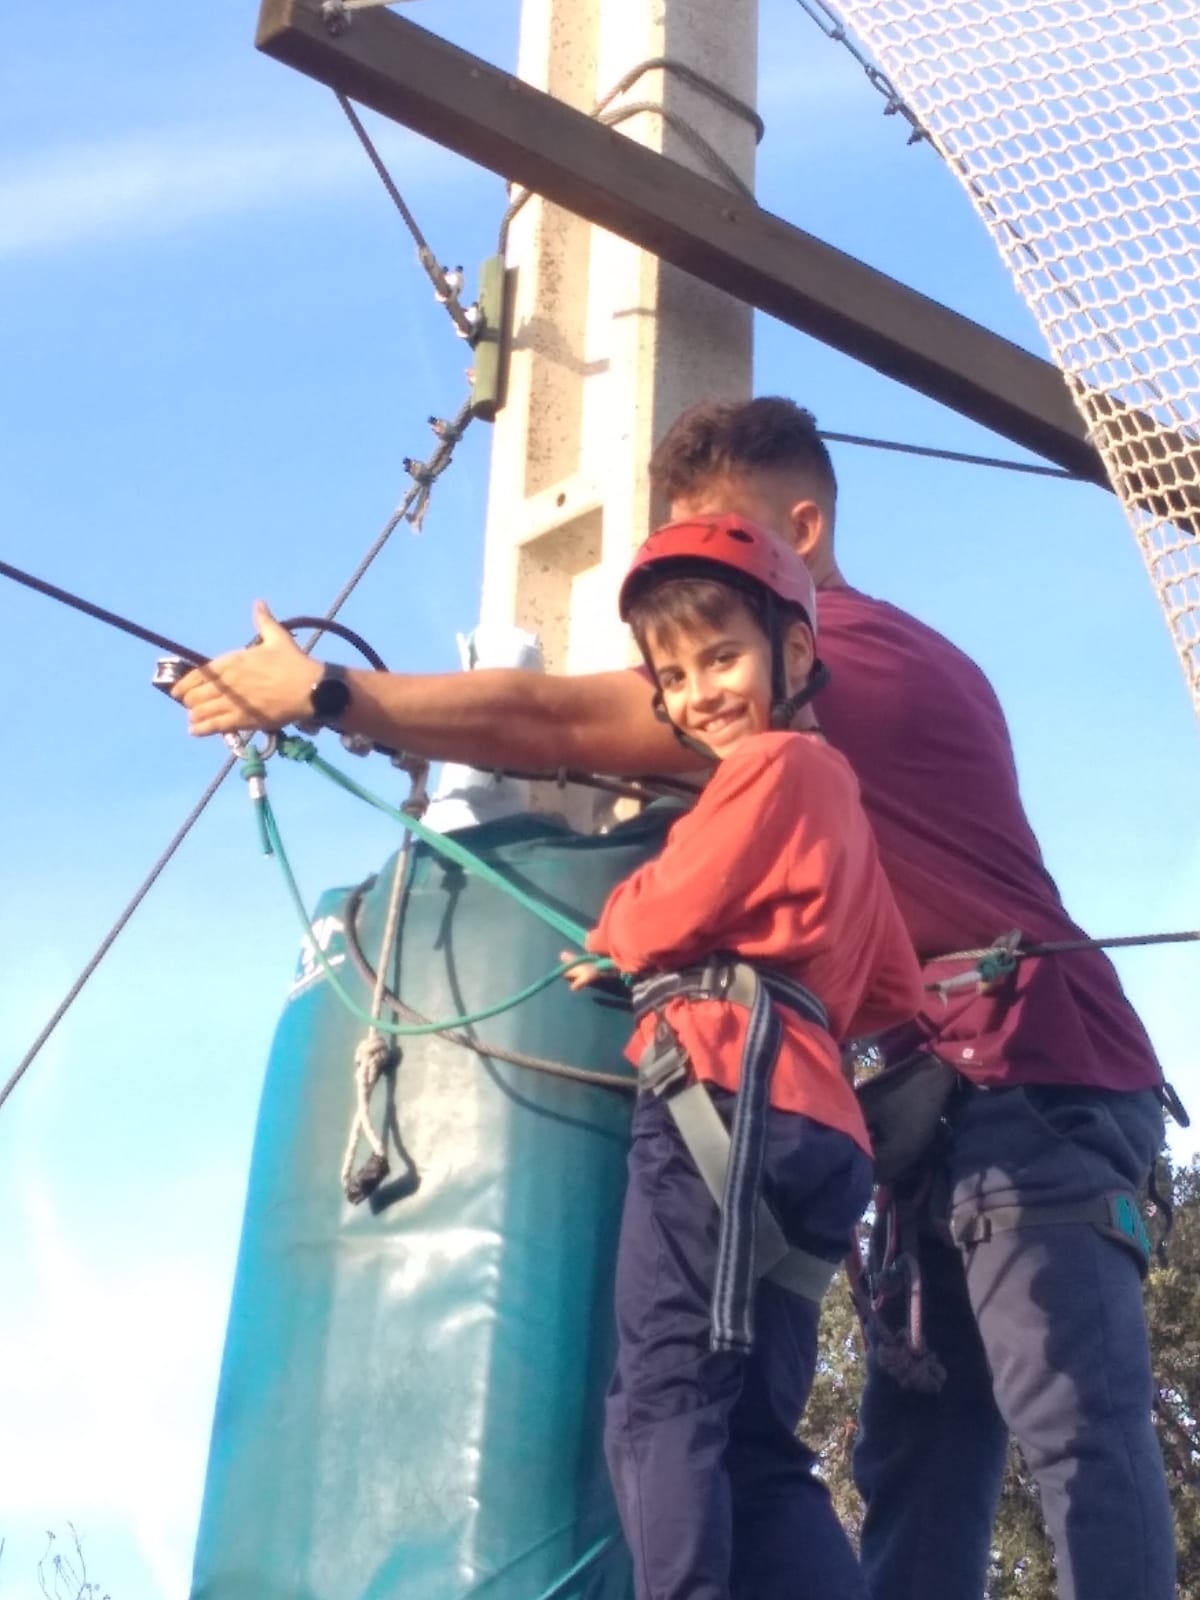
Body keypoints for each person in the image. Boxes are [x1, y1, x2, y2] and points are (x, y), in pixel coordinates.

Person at [176, 396, 1175, 1600]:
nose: (694, 625)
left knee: (1069, 1420)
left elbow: (565, 717)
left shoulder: (854, 657)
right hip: (932, 1102)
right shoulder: (809, 723)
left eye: (723, 551)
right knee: (919, 1460)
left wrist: (333, 692)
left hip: (1036, 1075)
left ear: (799, 538)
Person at [558, 515, 922, 1599]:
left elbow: (668, 905)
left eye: (721, 658)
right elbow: (895, 987)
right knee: (757, 1444)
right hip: (817, 1132)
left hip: (724, 1099)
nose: (698, 693)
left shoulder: (771, 764)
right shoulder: (841, 803)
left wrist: (616, 934)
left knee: (662, 1397)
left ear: (793, 653)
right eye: (673, 675)